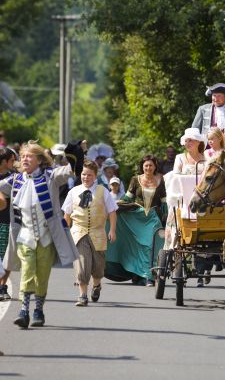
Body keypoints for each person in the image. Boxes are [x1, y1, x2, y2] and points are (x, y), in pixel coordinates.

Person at [0, 140, 81, 328]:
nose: (25, 159)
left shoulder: (51, 176)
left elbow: (71, 170)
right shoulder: (15, 179)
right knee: (27, 270)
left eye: (29, 156)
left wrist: (75, 154)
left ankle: (38, 310)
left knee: (42, 275)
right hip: (24, 236)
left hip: (47, 237)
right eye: (22, 157)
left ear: (39, 160)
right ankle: (24, 311)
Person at [62, 160, 118, 306]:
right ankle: (82, 295)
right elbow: (67, 214)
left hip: (98, 232)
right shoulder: (73, 192)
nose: (86, 177)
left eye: (89, 175)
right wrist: (65, 234)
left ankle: (97, 284)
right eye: (83, 174)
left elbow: (112, 212)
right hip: (78, 232)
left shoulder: (102, 191)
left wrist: (112, 230)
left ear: (95, 176)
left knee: (98, 267)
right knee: (82, 264)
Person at [106, 155, 167, 287]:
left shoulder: (161, 180)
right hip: (136, 217)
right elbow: (127, 198)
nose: (148, 168)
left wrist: (167, 219)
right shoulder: (135, 179)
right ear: (142, 167)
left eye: (151, 165)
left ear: (155, 166)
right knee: (137, 247)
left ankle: (150, 277)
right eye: (146, 165)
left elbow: (164, 202)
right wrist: (114, 205)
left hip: (153, 218)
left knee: (150, 246)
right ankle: (139, 275)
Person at [0, 147, 17, 301]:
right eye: (12, 160)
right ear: (4, 161)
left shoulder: (15, 178)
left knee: (7, 256)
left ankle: (2, 285)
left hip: (8, 221)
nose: (14, 163)